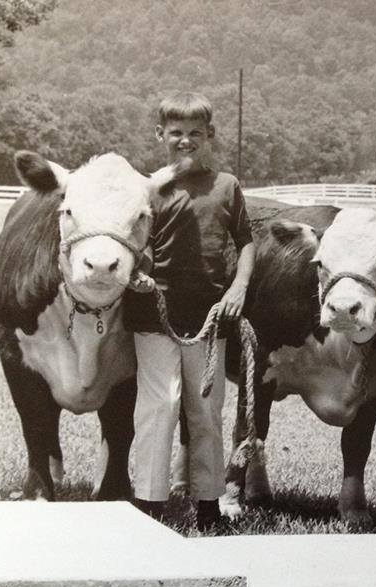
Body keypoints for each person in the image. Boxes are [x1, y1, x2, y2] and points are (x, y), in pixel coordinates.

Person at [125, 91, 255, 530]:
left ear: (211, 135)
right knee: (160, 404)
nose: (185, 141)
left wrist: (238, 286)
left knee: (205, 410)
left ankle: (207, 504)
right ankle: (149, 502)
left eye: (195, 133)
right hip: (154, 314)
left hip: (209, 316)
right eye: (176, 133)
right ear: (160, 134)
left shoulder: (226, 186)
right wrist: (138, 273)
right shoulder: (149, 189)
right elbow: (136, 245)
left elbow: (246, 243)